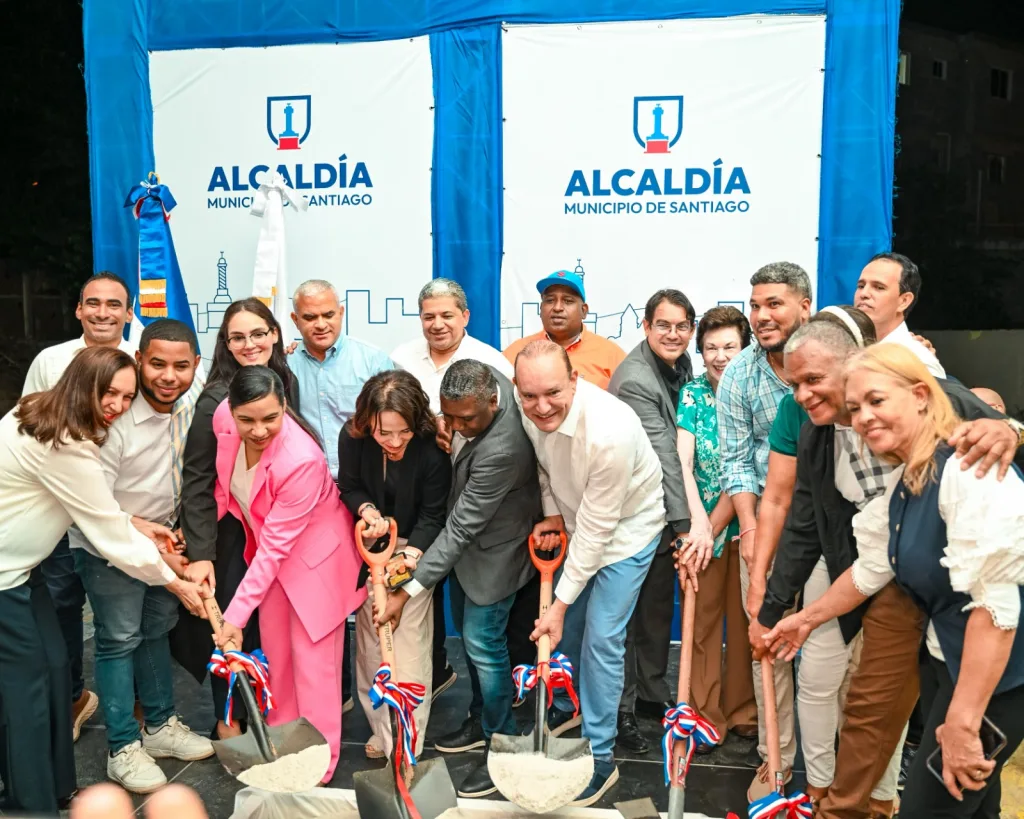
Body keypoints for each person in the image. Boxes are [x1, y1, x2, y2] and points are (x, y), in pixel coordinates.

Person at [754, 327, 1021, 819]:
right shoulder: (906, 479)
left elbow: (996, 610)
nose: (863, 418)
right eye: (855, 408)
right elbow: (869, 569)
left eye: (876, 401)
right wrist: (806, 618)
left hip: (996, 683)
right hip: (951, 667)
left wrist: (963, 721)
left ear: (920, 396)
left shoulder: (967, 472)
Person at [0, 347, 205, 814]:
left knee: (56, 667)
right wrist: (175, 581)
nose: (116, 405)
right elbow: (108, 533)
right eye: (108, 392)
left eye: (127, 397)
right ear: (81, 383)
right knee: (27, 686)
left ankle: (55, 786)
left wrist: (138, 525)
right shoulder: (64, 444)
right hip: (3, 579)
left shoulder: (44, 412)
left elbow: (98, 510)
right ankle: (31, 804)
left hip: (24, 572)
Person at [375, 360, 541, 798]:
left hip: (496, 555)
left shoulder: (503, 449)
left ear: (493, 402)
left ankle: (503, 745)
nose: (455, 427)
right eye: (449, 416)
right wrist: (448, 426)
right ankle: (480, 717)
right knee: (471, 644)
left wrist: (408, 591)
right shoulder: (484, 382)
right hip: (467, 554)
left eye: (466, 419)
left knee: (485, 646)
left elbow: (461, 528)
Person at [518, 340, 666, 807]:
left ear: (575, 381)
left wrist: (559, 604)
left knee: (601, 636)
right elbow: (543, 468)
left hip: (628, 528)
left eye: (553, 393)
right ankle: (568, 709)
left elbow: (600, 529)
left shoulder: (610, 429)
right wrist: (552, 512)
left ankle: (600, 755)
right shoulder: (527, 408)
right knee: (573, 626)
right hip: (576, 519)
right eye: (529, 395)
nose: (542, 407)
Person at [70, 320, 213, 793]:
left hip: (163, 540)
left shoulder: (192, 404)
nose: (169, 376)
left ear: (196, 366)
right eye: (157, 364)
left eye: (181, 366)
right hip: (108, 543)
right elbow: (96, 510)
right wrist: (148, 544)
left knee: (156, 628)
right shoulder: (113, 419)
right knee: (119, 638)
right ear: (138, 361)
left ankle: (160, 726)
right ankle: (122, 748)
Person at [210, 366, 365, 783]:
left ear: (284, 407)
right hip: (270, 561)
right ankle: (281, 748)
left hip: (317, 563)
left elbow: (276, 547)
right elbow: (226, 489)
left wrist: (233, 618)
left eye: (270, 418)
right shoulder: (223, 420)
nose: (258, 430)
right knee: (277, 661)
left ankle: (318, 765)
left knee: (314, 669)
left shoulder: (301, 460)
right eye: (247, 420)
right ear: (231, 411)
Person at [175, 298, 300, 740]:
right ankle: (227, 720)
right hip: (229, 535)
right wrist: (201, 554)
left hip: (271, 531)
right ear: (225, 344)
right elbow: (197, 481)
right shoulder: (216, 399)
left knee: (267, 628)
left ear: (275, 335)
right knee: (230, 625)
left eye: (258, 334)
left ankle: (263, 713)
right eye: (238, 337)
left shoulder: (285, 381)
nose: (250, 344)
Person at [21, 271, 137, 742]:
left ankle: (135, 706)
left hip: (123, 510)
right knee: (62, 604)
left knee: (127, 620)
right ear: (78, 309)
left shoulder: (142, 360)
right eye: (93, 303)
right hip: (59, 514)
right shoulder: (51, 361)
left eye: (114, 304)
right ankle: (72, 698)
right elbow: (32, 427)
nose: (103, 313)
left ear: (129, 313)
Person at [716, 261, 811, 798]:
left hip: (828, 529)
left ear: (804, 305)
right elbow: (735, 461)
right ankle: (775, 759)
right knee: (767, 642)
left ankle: (830, 767)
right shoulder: (739, 374)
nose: (761, 315)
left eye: (774, 303)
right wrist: (750, 530)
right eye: (755, 305)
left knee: (827, 654)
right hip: (767, 525)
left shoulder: (832, 356)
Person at [391, 278, 512, 698]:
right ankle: (435, 670)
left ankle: (494, 707)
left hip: (477, 494)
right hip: (419, 490)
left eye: (447, 315)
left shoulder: (492, 364)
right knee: (430, 580)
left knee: (473, 605)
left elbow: (505, 433)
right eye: (429, 316)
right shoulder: (401, 358)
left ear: (465, 316)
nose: (437, 324)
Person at [287, 279, 394, 712]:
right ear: (294, 320)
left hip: (366, 497)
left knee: (376, 595)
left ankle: (384, 696)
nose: (320, 324)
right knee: (324, 600)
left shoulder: (373, 361)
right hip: (310, 502)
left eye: (328, 314)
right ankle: (338, 693)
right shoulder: (284, 367)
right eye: (309, 317)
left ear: (342, 312)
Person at [338, 370, 450, 759]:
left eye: (404, 432)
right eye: (384, 433)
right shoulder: (353, 437)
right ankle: (381, 729)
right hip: (371, 547)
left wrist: (409, 557)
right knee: (371, 641)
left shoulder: (433, 446)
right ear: (367, 422)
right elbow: (349, 486)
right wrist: (368, 512)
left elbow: (434, 514)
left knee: (408, 643)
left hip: (415, 547)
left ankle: (406, 741)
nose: (395, 441)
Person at [606, 289, 695, 754]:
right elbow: (665, 456)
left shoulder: (681, 365)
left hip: (661, 515)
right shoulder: (636, 380)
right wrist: (685, 526)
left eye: (682, 326)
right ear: (646, 326)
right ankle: (620, 712)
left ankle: (649, 695)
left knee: (657, 614)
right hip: (631, 516)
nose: (673, 334)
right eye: (664, 325)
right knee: (624, 620)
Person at [675, 306, 757, 746]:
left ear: (745, 349)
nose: (720, 356)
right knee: (702, 623)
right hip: (699, 528)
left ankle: (744, 710)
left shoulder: (755, 392)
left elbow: (747, 468)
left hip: (745, 522)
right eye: (711, 348)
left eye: (729, 347)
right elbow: (683, 462)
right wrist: (700, 527)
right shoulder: (692, 394)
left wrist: (717, 525)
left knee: (745, 622)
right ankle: (705, 715)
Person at [503, 269, 626, 390]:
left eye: (568, 301)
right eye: (550, 300)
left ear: (584, 311)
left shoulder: (611, 355)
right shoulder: (516, 352)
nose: (557, 308)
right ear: (541, 309)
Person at [853, 252, 945, 377]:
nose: (864, 294)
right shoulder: (844, 348)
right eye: (861, 286)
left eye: (879, 287)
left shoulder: (919, 360)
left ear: (904, 301)